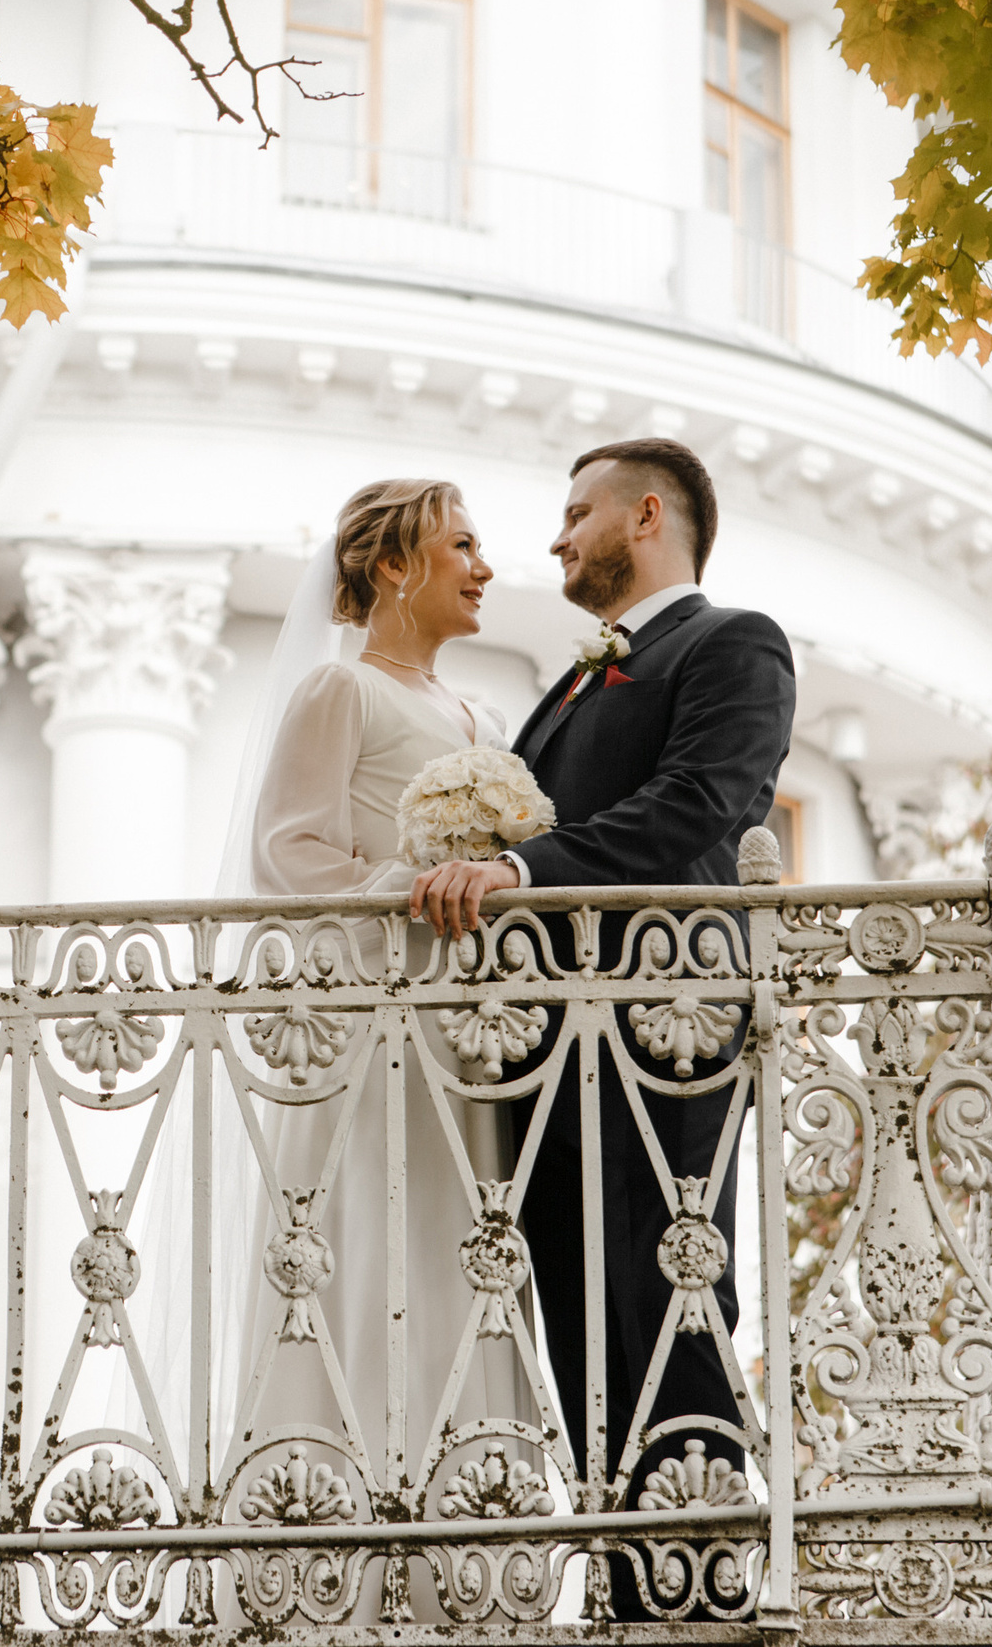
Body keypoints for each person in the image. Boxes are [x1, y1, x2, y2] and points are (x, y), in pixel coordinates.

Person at [407, 437, 795, 1614]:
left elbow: (699, 805)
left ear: (644, 516)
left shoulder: (731, 644)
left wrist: (525, 869)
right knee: (573, 1315)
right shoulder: (577, 677)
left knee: (673, 1292)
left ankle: (701, 1590)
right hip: (548, 1046)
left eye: (575, 514)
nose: (555, 537)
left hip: (660, 1029)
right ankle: (628, 1590)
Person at [216, 477, 543, 1611]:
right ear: (395, 567)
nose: (485, 566)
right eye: (463, 544)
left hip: (472, 1037)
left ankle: (466, 1554)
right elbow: (286, 855)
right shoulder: (336, 689)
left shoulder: (483, 723)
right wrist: (404, 885)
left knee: (465, 1243)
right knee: (368, 1232)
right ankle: (337, 1549)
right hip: (374, 1022)